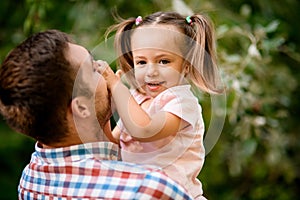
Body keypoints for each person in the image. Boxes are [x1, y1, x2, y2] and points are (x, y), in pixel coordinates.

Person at [0, 29, 193, 199]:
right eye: (93, 68)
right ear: (82, 108)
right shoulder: (147, 189)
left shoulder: (30, 180)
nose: (103, 67)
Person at [98, 11, 223, 199]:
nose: (151, 72)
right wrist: (106, 114)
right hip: (138, 194)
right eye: (141, 62)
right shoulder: (136, 99)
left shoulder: (182, 103)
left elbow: (145, 129)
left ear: (186, 65)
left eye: (164, 61)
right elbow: (113, 147)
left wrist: (116, 86)